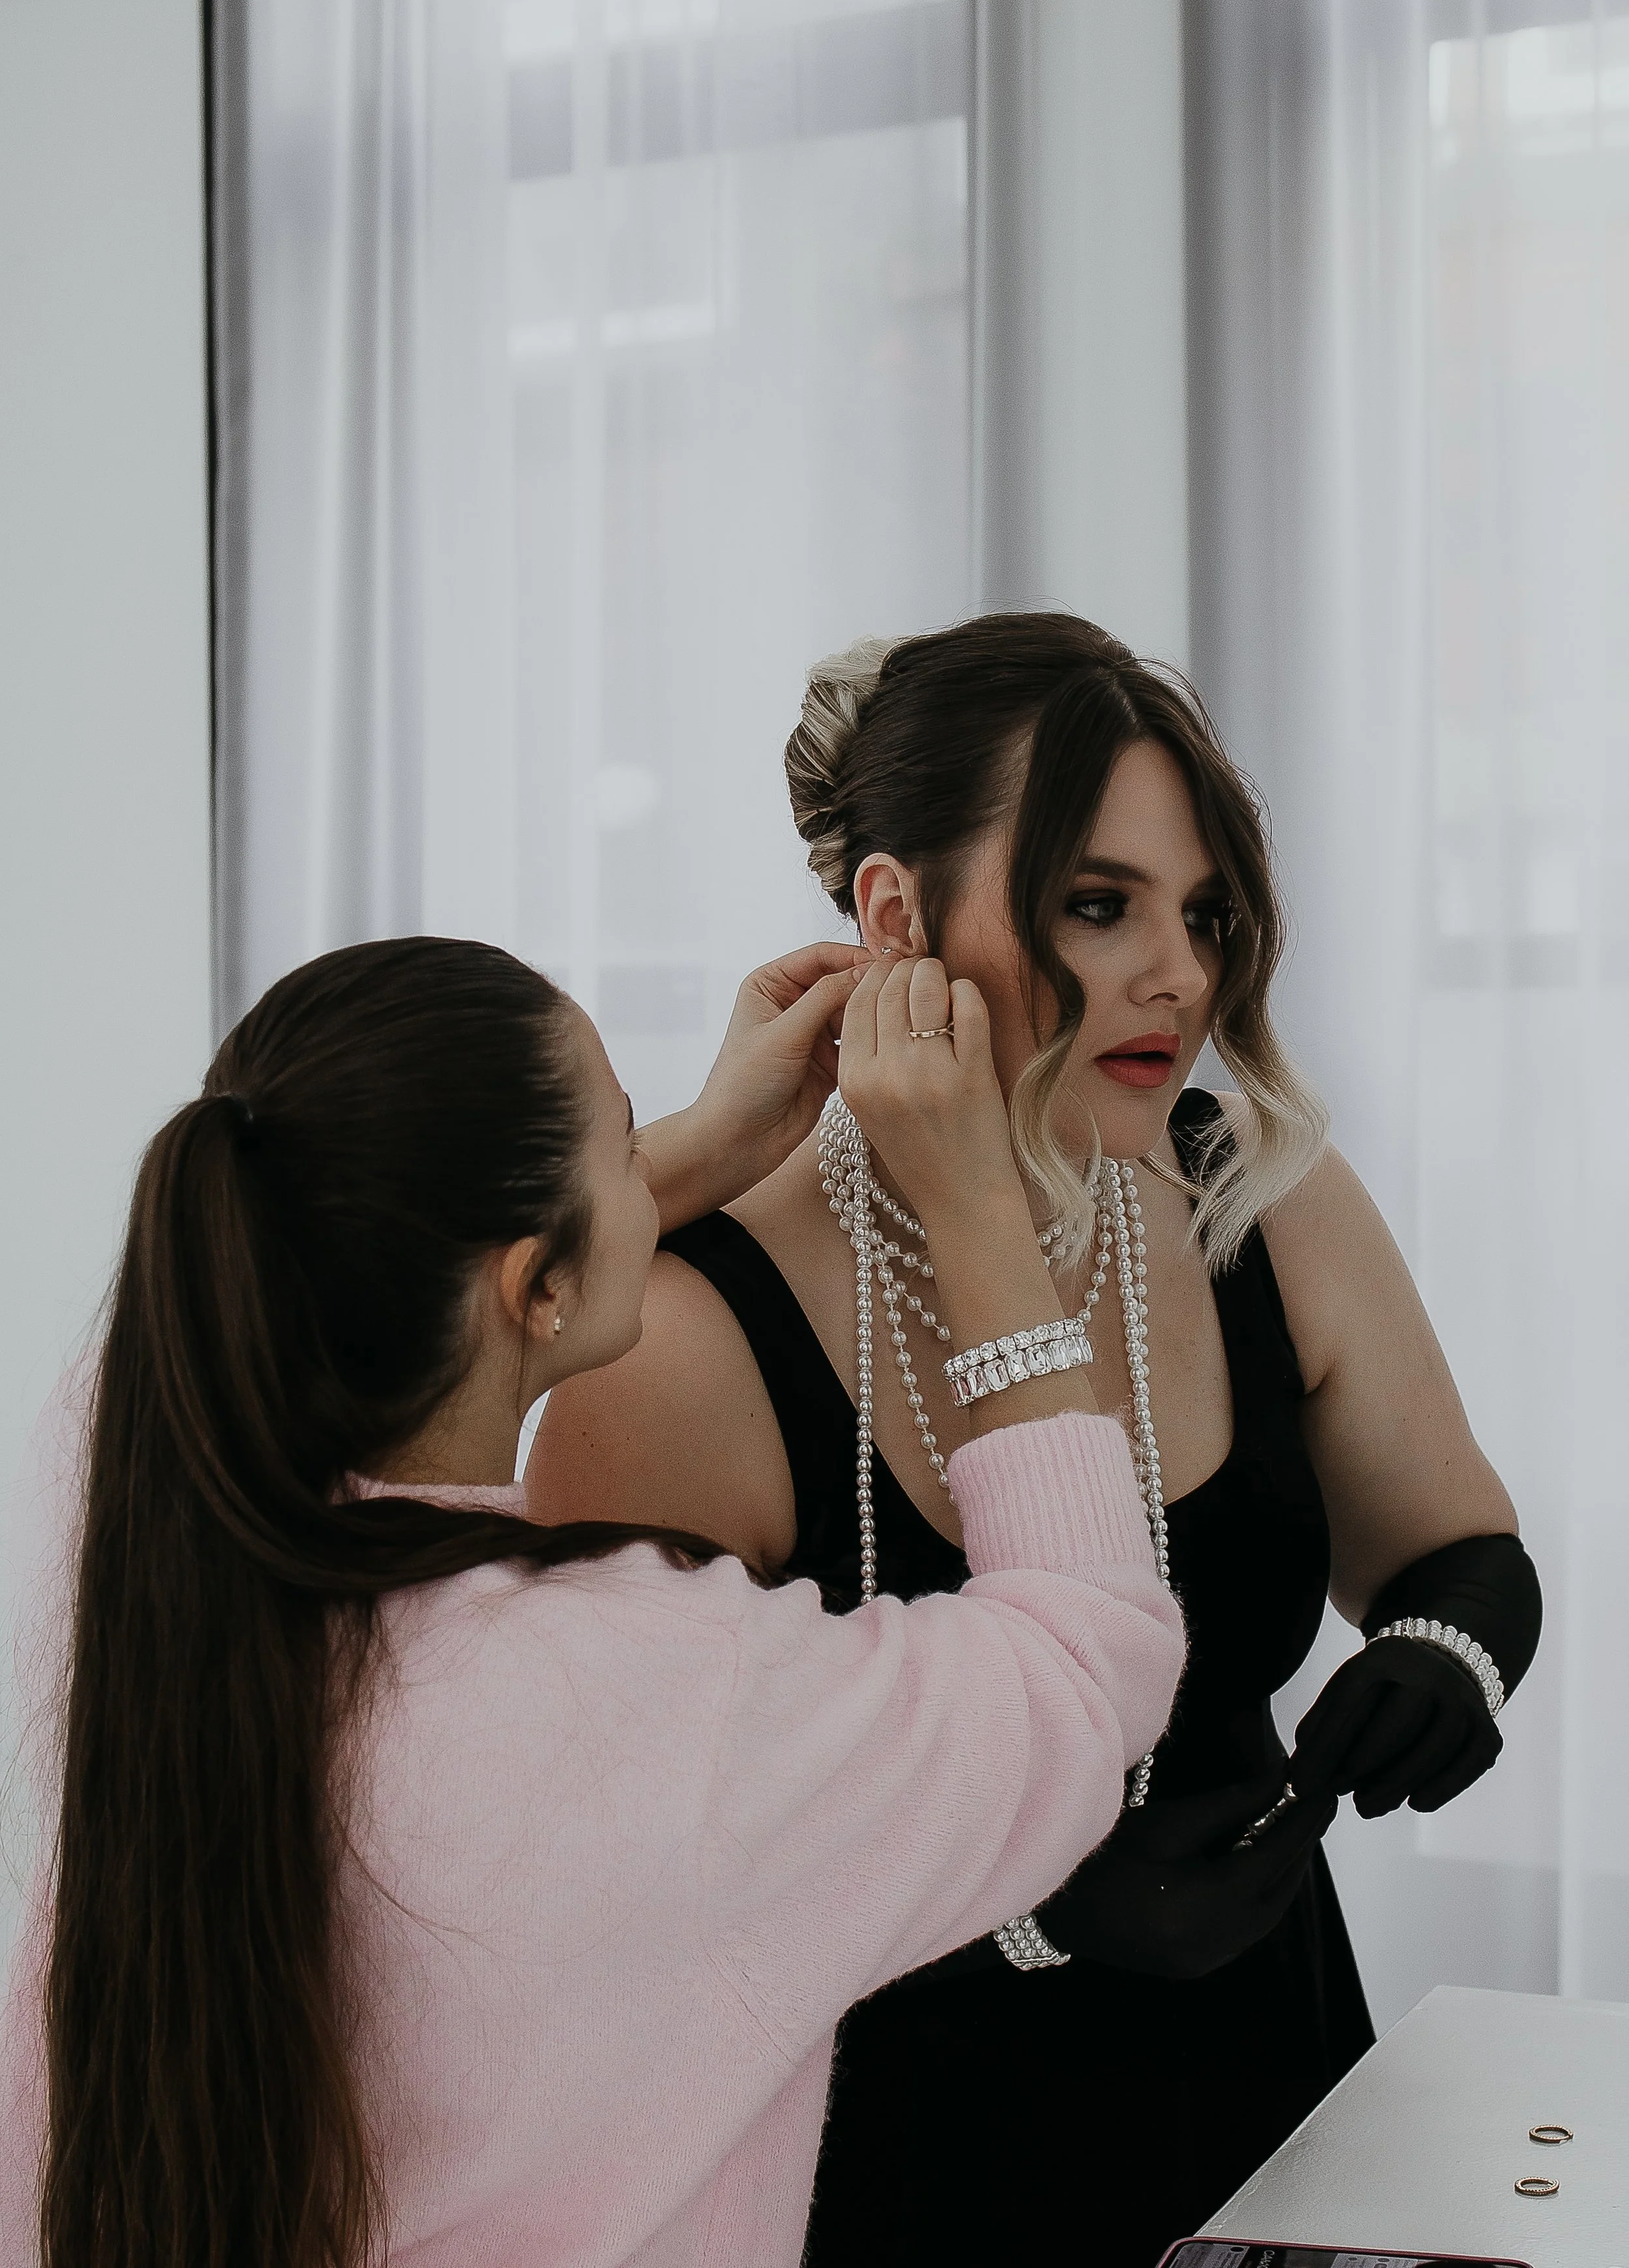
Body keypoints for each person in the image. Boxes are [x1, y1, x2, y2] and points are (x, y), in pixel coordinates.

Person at [530, 614, 1543, 2268]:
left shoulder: (1253, 1200)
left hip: (1274, 2108)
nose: (1179, 977)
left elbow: (1450, 1548)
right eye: (1095, 904)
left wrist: (1449, 1649)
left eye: (1203, 914)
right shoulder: (688, 1337)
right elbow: (616, 1878)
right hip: (898, 2166)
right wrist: (1018, 1914)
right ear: (894, 917)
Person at [0, 933, 1185, 2268]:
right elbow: (1083, 1662)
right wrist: (974, 1211)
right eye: (627, 1139)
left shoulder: (180, 1619)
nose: (654, 1159)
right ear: (537, 1283)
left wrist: (682, 1158)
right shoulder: (658, 1695)